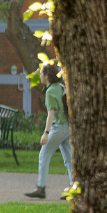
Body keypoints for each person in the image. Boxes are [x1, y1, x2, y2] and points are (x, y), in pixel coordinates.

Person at [25, 64, 73, 199]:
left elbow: (50, 114)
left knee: (43, 155)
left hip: (58, 127)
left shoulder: (51, 91)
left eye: (40, 73)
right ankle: (75, 188)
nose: (39, 76)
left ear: (46, 76)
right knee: (69, 159)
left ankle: (41, 188)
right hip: (68, 127)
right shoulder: (62, 87)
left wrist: (46, 133)